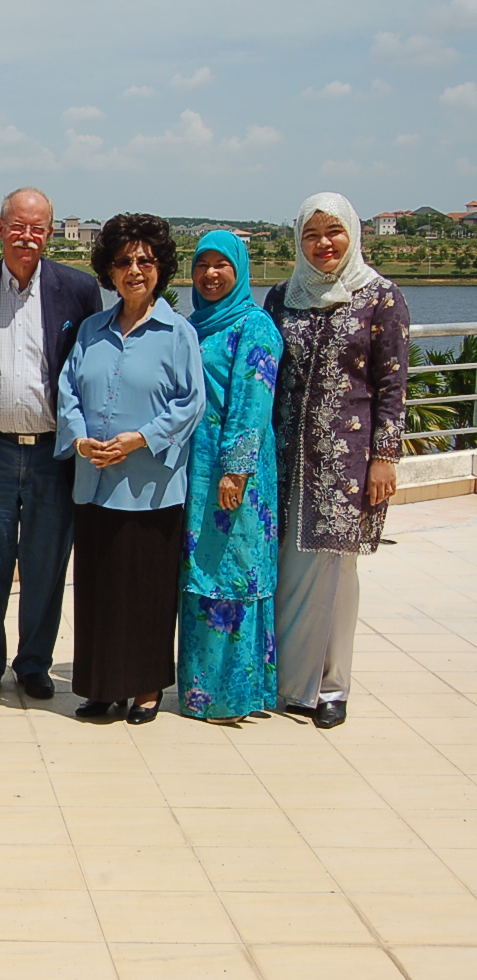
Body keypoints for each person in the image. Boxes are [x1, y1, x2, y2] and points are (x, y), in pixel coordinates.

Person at [0, 187, 102, 701]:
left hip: (54, 453)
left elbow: (90, 366)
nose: (26, 237)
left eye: (37, 228)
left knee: (45, 566)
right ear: (0, 228)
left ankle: (34, 664)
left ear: (50, 233)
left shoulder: (78, 290)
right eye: (17, 226)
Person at [267, 193, 409, 729]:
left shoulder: (380, 296)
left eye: (334, 232)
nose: (323, 244)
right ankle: (287, 681)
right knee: (286, 564)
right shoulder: (283, 297)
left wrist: (385, 458)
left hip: (346, 462)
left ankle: (331, 687)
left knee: (335, 570)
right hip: (284, 458)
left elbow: (392, 384)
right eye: (311, 234)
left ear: (353, 234)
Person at [56, 214, 205, 724]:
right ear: (109, 270)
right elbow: (68, 390)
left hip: (151, 487)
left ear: (160, 267)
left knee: (146, 590)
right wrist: (80, 439)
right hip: (95, 482)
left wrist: (140, 439)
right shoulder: (91, 330)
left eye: (144, 260)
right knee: (98, 588)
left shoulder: (178, 333)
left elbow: (191, 402)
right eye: (123, 261)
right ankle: (102, 687)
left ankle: (145, 687)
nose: (134, 270)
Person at [178, 231, 283, 723]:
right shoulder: (193, 325)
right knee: (199, 575)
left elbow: (252, 402)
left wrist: (236, 471)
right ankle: (199, 693)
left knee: (236, 575)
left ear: (239, 270)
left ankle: (234, 696)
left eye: (222, 265)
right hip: (195, 471)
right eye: (203, 265)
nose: (211, 274)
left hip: (235, 476)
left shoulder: (255, 326)